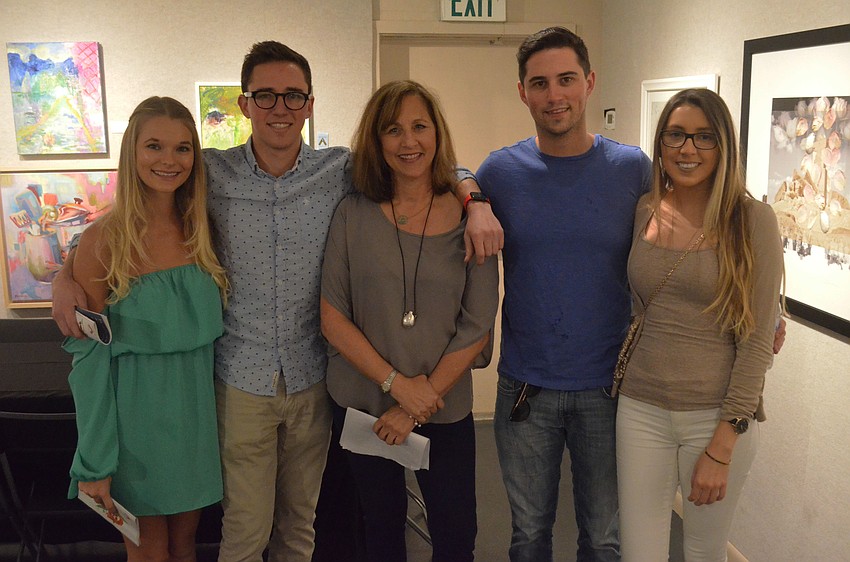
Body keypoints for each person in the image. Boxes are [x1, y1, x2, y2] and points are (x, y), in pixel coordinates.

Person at [52, 41, 502, 562]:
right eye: (265, 96)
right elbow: (139, 202)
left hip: (311, 379)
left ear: (311, 104)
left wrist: (476, 198)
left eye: (293, 96)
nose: (280, 109)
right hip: (239, 380)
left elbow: (418, 157)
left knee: (298, 531)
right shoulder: (210, 173)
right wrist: (67, 272)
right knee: (243, 534)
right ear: (244, 104)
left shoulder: (339, 171)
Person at [468, 27, 649, 562]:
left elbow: (702, 219)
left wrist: (767, 302)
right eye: (540, 83)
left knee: (603, 539)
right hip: (527, 386)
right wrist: (474, 197)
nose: (555, 95)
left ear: (589, 83)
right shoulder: (500, 171)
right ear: (522, 92)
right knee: (528, 537)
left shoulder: (633, 168)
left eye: (566, 79)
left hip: (610, 388)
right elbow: (447, 177)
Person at [320, 80, 499, 562]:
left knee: (457, 534)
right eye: (393, 130)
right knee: (378, 534)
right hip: (365, 406)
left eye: (420, 126)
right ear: (377, 141)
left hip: (443, 406)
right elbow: (333, 317)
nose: (408, 141)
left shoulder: (473, 220)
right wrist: (397, 386)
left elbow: (477, 323)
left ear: (437, 134)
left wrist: (417, 404)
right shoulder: (351, 214)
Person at [615, 89, 784, 561]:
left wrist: (723, 444)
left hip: (713, 417)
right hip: (639, 408)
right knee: (638, 552)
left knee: (704, 551)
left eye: (703, 137)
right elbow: (645, 305)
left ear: (724, 145)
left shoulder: (752, 220)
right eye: (676, 135)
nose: (688, 150)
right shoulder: (646, 209)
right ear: (661, 142)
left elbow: (756, 344)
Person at [63, 96, 228, 561]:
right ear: (131, 152)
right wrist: (96, 460)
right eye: (154, 146)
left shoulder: (202, 229)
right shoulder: (103, 240)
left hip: (195, 419)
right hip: (134, 426)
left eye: (182, 149)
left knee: (186, 545)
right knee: (149, 550)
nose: (169, 161)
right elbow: (89, 359)